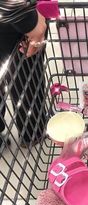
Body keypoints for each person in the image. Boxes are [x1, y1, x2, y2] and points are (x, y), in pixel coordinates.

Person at [0, 1, 47, 149]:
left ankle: (32, 130)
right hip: (15, 13)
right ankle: (32, 131)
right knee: (24, 68)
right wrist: (30, 19)